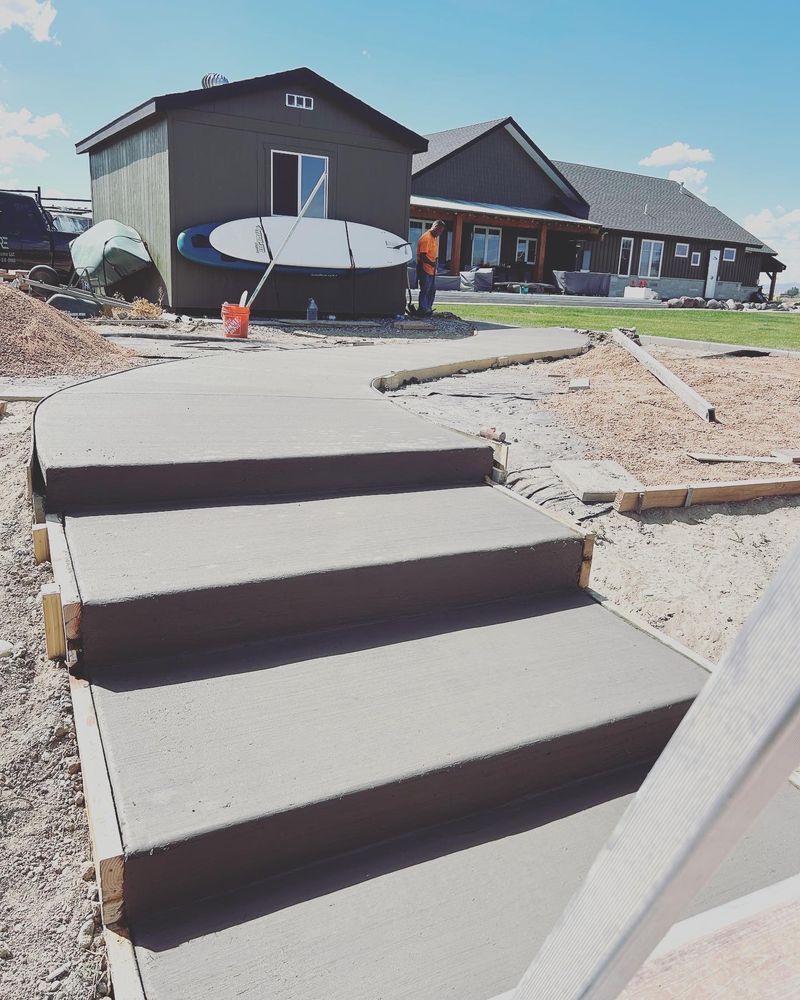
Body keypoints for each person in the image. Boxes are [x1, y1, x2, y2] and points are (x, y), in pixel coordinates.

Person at [416, 220, 445, 316]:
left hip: (431, 269)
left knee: (432, 290)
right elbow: (423, 256)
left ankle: (428, 308)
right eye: (438, 230)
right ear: (434, 227)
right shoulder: (426, 238)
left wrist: (435, 261)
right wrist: (432, 263)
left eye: (441, 231)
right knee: (425, 289)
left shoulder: (434, 238)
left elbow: (432, 253)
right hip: (424, 268)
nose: (439, 233)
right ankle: (422, 309)